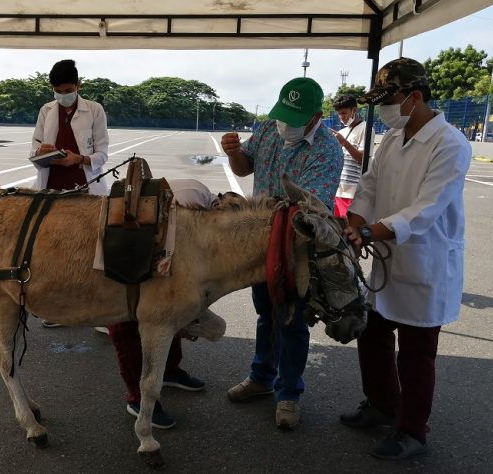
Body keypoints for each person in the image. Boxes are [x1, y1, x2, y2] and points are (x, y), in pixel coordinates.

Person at [339, 57, 471, 460]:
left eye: (389, 100)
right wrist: (354, 221)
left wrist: (367, 232)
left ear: (415, 97)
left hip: (424, 263)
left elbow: (425, 209)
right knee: (372, 333)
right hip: (387, 257)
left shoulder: (450, 144)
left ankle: (413, 430)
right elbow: (369, 185)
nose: (383, 111)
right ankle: (382, 404)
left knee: (416, 353)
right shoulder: (393, 139)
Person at [220, 77, 343, 430]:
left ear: (316, 116)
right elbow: (245, 166)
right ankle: (261, 377)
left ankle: (289, 392)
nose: (285, 124)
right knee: (266, 313)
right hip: (263, 243)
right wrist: (233, 152)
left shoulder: (327, 149)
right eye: (282, 114)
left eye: (295, 117)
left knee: (292, 318)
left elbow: (308, 210)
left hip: (297, 245)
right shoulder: (268, 130)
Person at [107, 179, 217, 430]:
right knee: (126, 326)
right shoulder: (180, 211)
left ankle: (169, 370)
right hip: (132, 248)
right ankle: (136, 398)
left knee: (171, 306)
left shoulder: (202, 204)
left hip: (160, 239)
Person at [29, 59, 109, 329]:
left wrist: (79, 159)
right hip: (53, 187)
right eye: (58, 90)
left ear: (78, 85)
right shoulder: (46, 110)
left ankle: (98, 312)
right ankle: (59, 309)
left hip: (85, 186)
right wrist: (41, 153)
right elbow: (34, 148)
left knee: (90, 250)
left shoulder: (94, 110)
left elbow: (102, 155)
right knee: (57, 250)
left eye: (68, 89)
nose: (63, 95)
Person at [330, 94, 367, 217]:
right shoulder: (342, 132)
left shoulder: (365, 128)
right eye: (339, 114)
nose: (341, 117)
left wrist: (344, 142)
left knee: (349, 229)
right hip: (338, 189)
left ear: (354, 110)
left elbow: (362, 159)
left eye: (344, 113)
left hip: (353, 191)